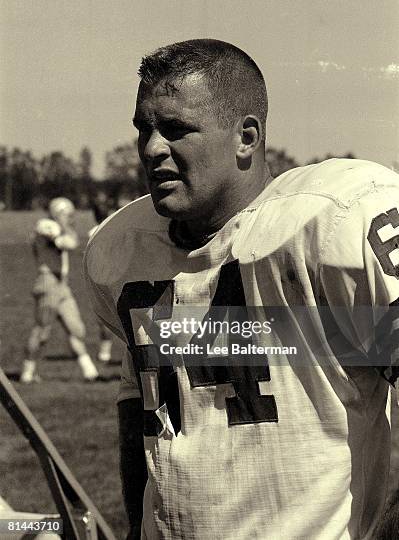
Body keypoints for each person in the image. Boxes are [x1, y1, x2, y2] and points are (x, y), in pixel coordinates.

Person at [84, 39, 399, 539]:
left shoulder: (333, 223)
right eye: (143, 128)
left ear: (246, 138)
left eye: (176, 129)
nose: (150, 148)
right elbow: (137, 396)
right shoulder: (123, 248)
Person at [21, 197, 99, 383]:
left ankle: (90, 373)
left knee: (76, 329)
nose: (70, 218)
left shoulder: (57, 227)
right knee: (42, 331)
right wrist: (63, 224)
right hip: (48, 282)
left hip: (62, 285)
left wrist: (66, 226)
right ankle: (27, 372)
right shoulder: (46, 225)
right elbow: (68, 243)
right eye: (67, 214)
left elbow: (72, 241)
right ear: (58, 212)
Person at [89, 190, 115, 363]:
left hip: (100, 277)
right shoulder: (116, 227)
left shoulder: (93, 231)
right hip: (113, 276)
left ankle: (104, 353)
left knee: (106, 317)